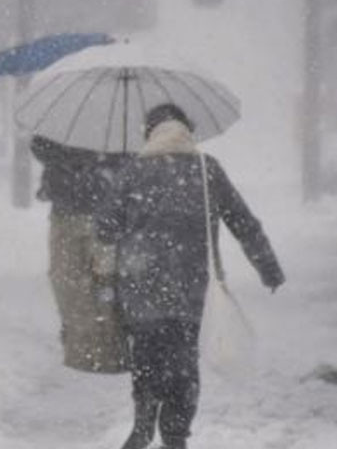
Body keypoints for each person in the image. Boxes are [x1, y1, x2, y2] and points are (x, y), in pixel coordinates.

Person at [96, 103, 285, 449]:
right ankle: (176, 435)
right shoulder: (206, 168)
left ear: (149, 133)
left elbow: (105, 229)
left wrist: (117, 184)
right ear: (187, 131)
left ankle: (143, 422)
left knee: (148, 356)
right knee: (183, 362)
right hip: (192, 290)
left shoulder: (133, 171)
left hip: (140, 289)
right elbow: (243, 222)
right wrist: (268, 268)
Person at [30, 135, 129, 373]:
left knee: (106, 282)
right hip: (66, 210)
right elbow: (39, 145)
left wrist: (100, 160)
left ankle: (110, 352)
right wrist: (77, 157)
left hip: (106, 211)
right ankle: (81, 349)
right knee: (66, 281)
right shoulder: (66, 115)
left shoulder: (117, 114)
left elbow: (130, 157)